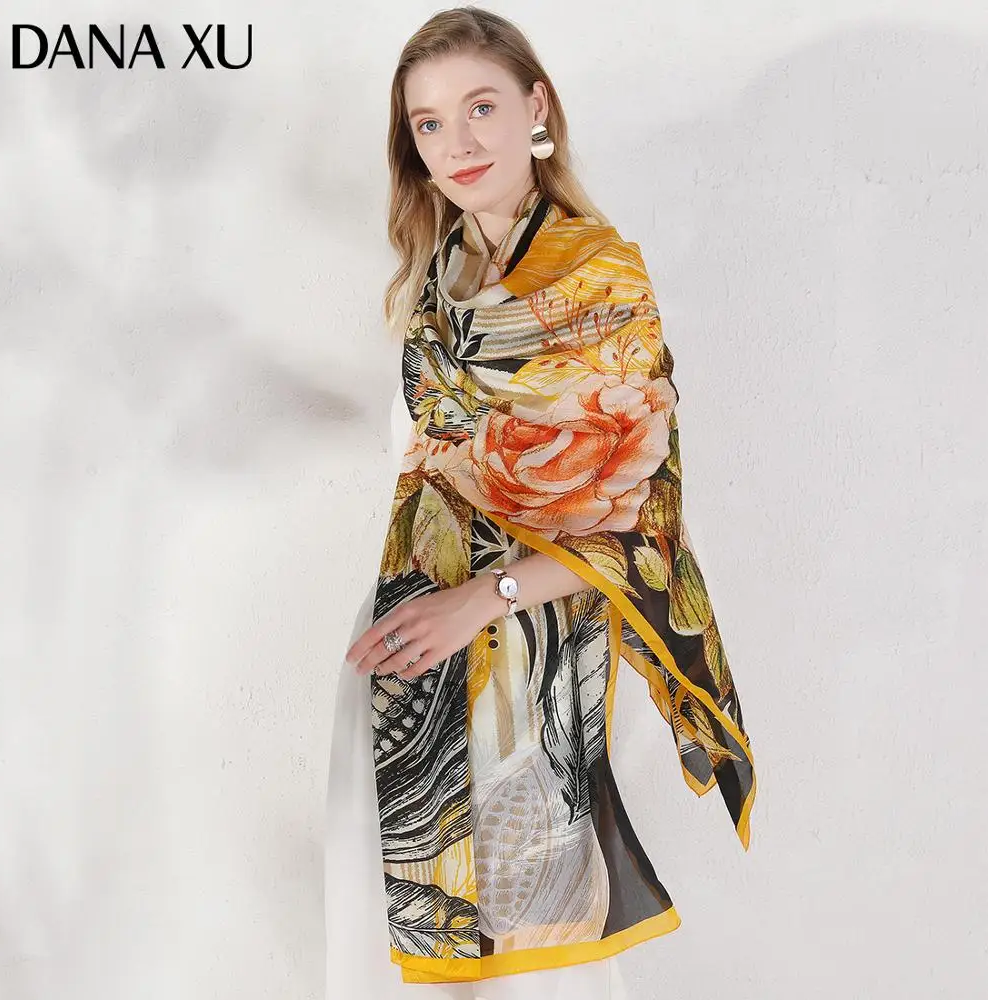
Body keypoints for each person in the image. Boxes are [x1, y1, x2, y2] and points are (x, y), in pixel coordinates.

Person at [322, 8, 756, 999]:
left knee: (530, 968)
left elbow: (641, 521)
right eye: (429, 123)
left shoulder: (601, 281)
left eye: (480, 106)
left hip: (533, 646)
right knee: (380, 942)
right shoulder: (434, 289)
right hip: (405, 663)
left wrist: (482, 600)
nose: (457, 141)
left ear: (537, 108)